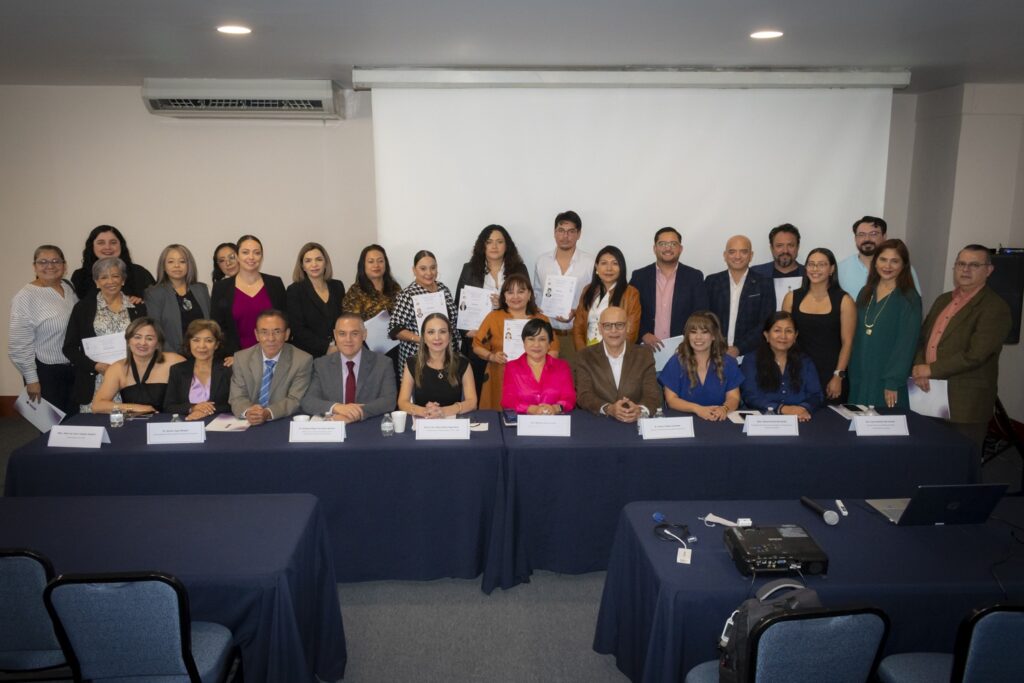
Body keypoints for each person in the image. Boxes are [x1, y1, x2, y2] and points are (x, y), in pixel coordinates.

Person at [912, 245, 1011, 448]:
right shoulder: (943, 300)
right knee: (929, 453)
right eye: (961, 264)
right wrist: (919, 366)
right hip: (930, 393)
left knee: (962, 458)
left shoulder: (995, 307)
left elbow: (976, 355)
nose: (965, 270)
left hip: (966, 402)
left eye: (974, 265)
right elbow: (922, 339)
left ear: (988, 270)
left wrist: (930, 369)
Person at [62, 257, 148, 413]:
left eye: (115, 276)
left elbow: (148, 343)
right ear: (96, 282)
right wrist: (95, 366)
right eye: (104, 277)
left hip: (130, 379)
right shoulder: (83, 308)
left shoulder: (138, 308)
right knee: (97, 425)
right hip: (96, 381)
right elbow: (69, 348)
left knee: (132, 423)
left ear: (123, 280)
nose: (110, 281)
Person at [848, 239, 922, 410]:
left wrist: (893, 381)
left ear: (904, 265)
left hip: (887, 379)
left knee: (883, 422)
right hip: (860, 374)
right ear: (875, 262)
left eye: (894, 261)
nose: (887, 266)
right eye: (883, 259)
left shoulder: (909, 298)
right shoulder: (865, 292)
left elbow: (907, 343)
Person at [455, 224, 529, 393]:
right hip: (478, 338)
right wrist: (465, 331)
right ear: (483, 246)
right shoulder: (469, 269)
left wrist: (503, 303)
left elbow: (527, 301)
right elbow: (459, 303)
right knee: (478, 389)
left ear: (507, 245)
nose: (494, 246)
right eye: (489, 242)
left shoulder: (519, 269)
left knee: (511, 388)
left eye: (499, 242)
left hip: (510, 338)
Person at [8, 245, 79, 415]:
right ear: (34, 266)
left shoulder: (68, 288)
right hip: (46, 374)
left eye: (56, 261)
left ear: (64, 265)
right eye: (43, 262)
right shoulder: (25, 296)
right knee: (52, 425)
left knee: (75, 422)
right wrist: (31, 379)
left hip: (73, 369)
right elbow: (18, 343)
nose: (50, 266)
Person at [472, 274, 559, 410]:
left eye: (521, 291)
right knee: (499, 417)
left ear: (529, 294)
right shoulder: (493, 317)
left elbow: (553, 349)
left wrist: (539, 367)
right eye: (510, 292)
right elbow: (477, 345)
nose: (515, 296)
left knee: (533, 414)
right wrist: (492, 357)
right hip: (500, 375)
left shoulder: (541, 319)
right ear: (504, 296)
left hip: (535, 378)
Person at [781, 248, 855, 402]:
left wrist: (838, 376)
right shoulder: (791, 298)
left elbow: (847, 343)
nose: (815, 269)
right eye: (811, 264)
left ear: (832, 269)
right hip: (797, 371)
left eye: (821, 265)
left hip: (830, 374)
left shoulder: (845, 301)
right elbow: (784, 338)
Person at [300, 312, 398, 422]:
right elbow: (308, 401)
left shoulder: (383, 363)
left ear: (364, 334)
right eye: (342, 334)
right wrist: (337, 407)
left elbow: (389, 401)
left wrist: (355, 414)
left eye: (354, 334)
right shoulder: (321, 364)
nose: (348, 339)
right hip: (334, 426)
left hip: (368, 426)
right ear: (335, 335)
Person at [628, 227, 708, 350]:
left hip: (683, 349)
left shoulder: (694, 277)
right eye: (662, 244)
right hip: (646, 349)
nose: (668, 248)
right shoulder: (639, 277)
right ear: (654, 248)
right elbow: (630, 311)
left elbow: (700, 313)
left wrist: (687, 339)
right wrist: (643, 334)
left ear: (680, 249)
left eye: (673, 244)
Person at [575, 306, 660, 421]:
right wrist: (609, 409)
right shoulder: (585, 356)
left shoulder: (644, 355)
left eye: (619, 325)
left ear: (628, 327)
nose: (613, 330)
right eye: (607, 325)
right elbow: (584, 395)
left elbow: (652, 395)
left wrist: (640, 410)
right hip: (599, 423)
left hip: (635, 423)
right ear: (600, 328)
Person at [533, 210, 594, 366]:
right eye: (561, 230)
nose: (565, 236)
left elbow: (595, 299)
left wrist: (577, 312)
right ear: (554, 233)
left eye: (571, 231)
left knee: (575, 379)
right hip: (547, 337)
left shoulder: (590, 263)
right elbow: (537, 294)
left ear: (579, 234)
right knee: (546, 379)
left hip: (577, 336)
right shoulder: (542, 262)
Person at [228, 309, 312, 424]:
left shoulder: (302, 360)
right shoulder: (241, 358)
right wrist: (249, 411)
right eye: (264, 332)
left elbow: (295, 399)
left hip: (282, 421)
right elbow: (237, 397)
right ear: (256, 335)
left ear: (287, 334)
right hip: (248, 421)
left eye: (277, 332)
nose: (271, 338)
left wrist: (268, 413)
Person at [210, 235, 287, 356]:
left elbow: (285, 321)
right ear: (237, 256)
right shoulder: (221, 288)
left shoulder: (275, 283)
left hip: (274, 354)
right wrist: (235, 356)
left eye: (257, 253)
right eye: (245, 252)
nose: (251, 257)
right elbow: (217, 328)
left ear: (261, 257)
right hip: (237, 356)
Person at [659, 311, 744, 421]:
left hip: (718, 420)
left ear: (713, 336)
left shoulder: (728, 363)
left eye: (704, 332)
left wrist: (724, 409)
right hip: (685, 421)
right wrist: (698, 409)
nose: (698, 337)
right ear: (687, 336)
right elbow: (671, 400)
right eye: (693, 332)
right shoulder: (676, 362)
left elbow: (734, 397)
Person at [91, 317, 185, 415]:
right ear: (128, 341)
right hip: (134, 422)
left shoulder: (175, 361)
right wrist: (135, 408)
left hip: (170, 422)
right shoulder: (117, 368)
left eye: (149, 338)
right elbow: (97, 406)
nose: (142, 343)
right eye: (137, 337)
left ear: (158, 344)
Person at [704, 235, 776, 359]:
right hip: (714, 352)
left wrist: (739, 348)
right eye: (732, 252)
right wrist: (717, 345)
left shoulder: (764, 283)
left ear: (751, 255)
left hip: (750, 355)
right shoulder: (712, 282)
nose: (737, 256)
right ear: (725, 255)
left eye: (743, 252)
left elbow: (766, 322)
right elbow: (705, 318)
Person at [741, 311, 822, 420]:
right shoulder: (751, 360)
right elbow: (750, 396)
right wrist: (781, 408)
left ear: (795, 336)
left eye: (789, 331)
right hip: (763, 421)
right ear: (766, 335)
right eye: (777, 330)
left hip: (800, 419)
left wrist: (803, 408)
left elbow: (816, 395)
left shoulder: (805, 361)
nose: (783, 336)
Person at [389, 250, 460, 374]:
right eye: (423, 268)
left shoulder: (443, 289)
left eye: (433, 268)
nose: (429, 273)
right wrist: (422, 339)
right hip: (419, 358)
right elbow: (395, 329)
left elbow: (453, 320)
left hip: (447, 355)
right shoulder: (407, 295)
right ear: (414, 270)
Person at [398, 313, 478, 418]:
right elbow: (402, 402)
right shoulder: (412, 363)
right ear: (423, 337)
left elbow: (472, 403)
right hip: (423, 421)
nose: (437, 337)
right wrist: (426, 412)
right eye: (431, 332)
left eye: (442, 332)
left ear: (449, 336)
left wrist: (443, 411)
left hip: (454, 423)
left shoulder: (463, 363)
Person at [144, 244, 211, 355]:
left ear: (189, 265)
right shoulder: (154, 294)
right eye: (171, 262)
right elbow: (154, 331)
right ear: (163, 266)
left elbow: (211, 325)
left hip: (204, 353)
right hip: (172, 356)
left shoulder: (201, 289)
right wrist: (174, 357)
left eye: (182, 261)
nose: (177, 266)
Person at [501, 318, 576, 415]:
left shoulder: (562, 367)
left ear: (549, 344)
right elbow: (508, 400)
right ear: (524, 343)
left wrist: (554, 408)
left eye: (542, 339)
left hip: (555, 420)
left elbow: (570, 398)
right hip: (523, 420)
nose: (536, 345)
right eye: (531, 339)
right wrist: (532, 409)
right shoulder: (512, 367)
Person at [573, 246, 641, 350]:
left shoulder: (631, 293)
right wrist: (583, 353)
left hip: (615, 352)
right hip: (587, 351)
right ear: (596, 267)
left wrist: (612, 354)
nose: (609, 268)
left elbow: (631, 332)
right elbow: (578, 327)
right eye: (604, 263)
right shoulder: (588, 290)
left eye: (615, 263)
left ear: (621, 268)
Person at [286, 242, 346, 357]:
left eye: (319, 259)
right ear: (302, 266)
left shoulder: (337, 286)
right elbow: (297, 329)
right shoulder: (295, 290)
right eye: (308, 261)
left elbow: (344, 319)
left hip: (338, 351)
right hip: (307, 355)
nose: (314, 264)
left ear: (325, 263)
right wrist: (326, 348)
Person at [164, 319, 233, 420]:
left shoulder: (228, 369)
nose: (202, 346)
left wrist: (206, 410)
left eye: (209, 340)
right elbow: (168, 406)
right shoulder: (177, 370)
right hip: (188, 424)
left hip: (220, 425)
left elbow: (234, 404)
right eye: (196, 340)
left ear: (216, 345)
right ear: (189, 342)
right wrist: (193, 408)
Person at [837, 216, 921, 297]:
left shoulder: (901, 268)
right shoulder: (840, 269)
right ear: (855, 238)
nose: (867, 239)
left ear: (884, 237)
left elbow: (914, 301)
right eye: (861, 234)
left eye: (873, 234)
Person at [69, 225, 155, 301]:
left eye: (113, 242)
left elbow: (155, 303)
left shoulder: (139, 273)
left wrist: (141, 303)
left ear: (121, 245)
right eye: (101, 243)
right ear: (92, 246)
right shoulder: (80, 276)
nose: (107, 247)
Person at [342, 244, 402, 321]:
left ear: (386, 264)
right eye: (371, 261)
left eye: (380, 261)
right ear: (363, 265)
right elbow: (351, 322)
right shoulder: (355, 292)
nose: (376, 265)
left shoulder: (394, 287)